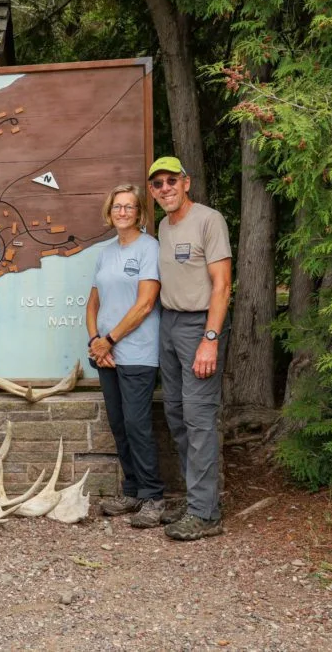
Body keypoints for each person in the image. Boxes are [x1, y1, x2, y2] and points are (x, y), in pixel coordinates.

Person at [148, 156, 232, 541]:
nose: (164, 188)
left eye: (171, 180)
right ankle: (197, 499)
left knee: (199, 419)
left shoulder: (208, 220)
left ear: (186, 183)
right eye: (157, 183)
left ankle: (205, 514)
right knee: (177, 414)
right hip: (170, 323)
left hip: (200, 325)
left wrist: (210, 340)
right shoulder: (164, 226)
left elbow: (222, 286)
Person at [87, 184, 165, 528]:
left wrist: (110, 339)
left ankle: (153, 497)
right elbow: (93, 302)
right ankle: (132, 491)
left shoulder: (150, 248)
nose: (122, 212)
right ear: (110, 211)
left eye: (129, 207)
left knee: (137, 425)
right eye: (117, 206)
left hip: (136, 352)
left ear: (139, 213)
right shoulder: (104, 253)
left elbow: (146, 303)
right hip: (106, 355)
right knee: (119, 425)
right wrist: (95, 341)